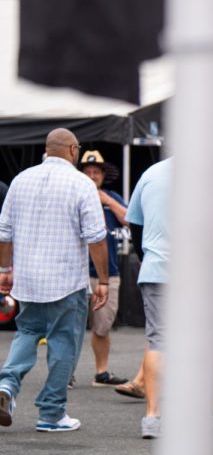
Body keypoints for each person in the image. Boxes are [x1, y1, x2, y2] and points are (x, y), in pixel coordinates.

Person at [125, 157, 213, 439]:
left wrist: (148, 258)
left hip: (158, 270)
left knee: (158, 342)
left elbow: (134, 224)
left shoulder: (151, 173)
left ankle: (152, 417)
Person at [0, 129, 108, 432]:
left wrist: (4, 270)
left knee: (27, 332)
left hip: (28, 279)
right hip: (66, 281)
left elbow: (4, 231)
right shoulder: (81, 184)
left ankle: (6, 386)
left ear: (48, 149)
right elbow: (96, 238)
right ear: (73, 150)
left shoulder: (21, 180)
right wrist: (103, 280)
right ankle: (51, 414)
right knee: (63, 344)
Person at [76, 150, 130, 387]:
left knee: (103, 326)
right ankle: (65, 375)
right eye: (87, 172)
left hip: (108, 273)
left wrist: (107, 201)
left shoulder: (111, 197)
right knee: (70, 328)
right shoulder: (74, 195)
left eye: (96, 172)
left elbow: (130, 219)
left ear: (103, 175)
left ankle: (101, 372)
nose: (92, 175)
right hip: (76, 271)